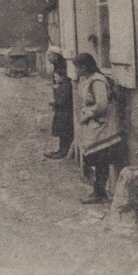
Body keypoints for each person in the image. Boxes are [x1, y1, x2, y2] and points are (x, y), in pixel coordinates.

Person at [74, 52, 125, 204]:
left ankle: (99, 192)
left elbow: (102, 105)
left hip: (103, 124)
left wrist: (87, 114)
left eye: (77, 67)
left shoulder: (97, 80)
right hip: (96, 124)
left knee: (101, 156)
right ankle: (99, 190)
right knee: (98, 157)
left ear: (84, 66)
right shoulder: (87, 79)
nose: (76, 71)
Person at [44, 54, 73, 160]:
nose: (55, 79)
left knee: (64, 133)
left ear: (63, 76)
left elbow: (63, 101)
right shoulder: (61, 85)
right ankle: (60, 150)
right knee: (62, 133)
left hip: (65, 113)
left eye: (56, 77)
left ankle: (63, 151)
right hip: (61, 113)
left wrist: (54, 102)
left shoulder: (65, 86)